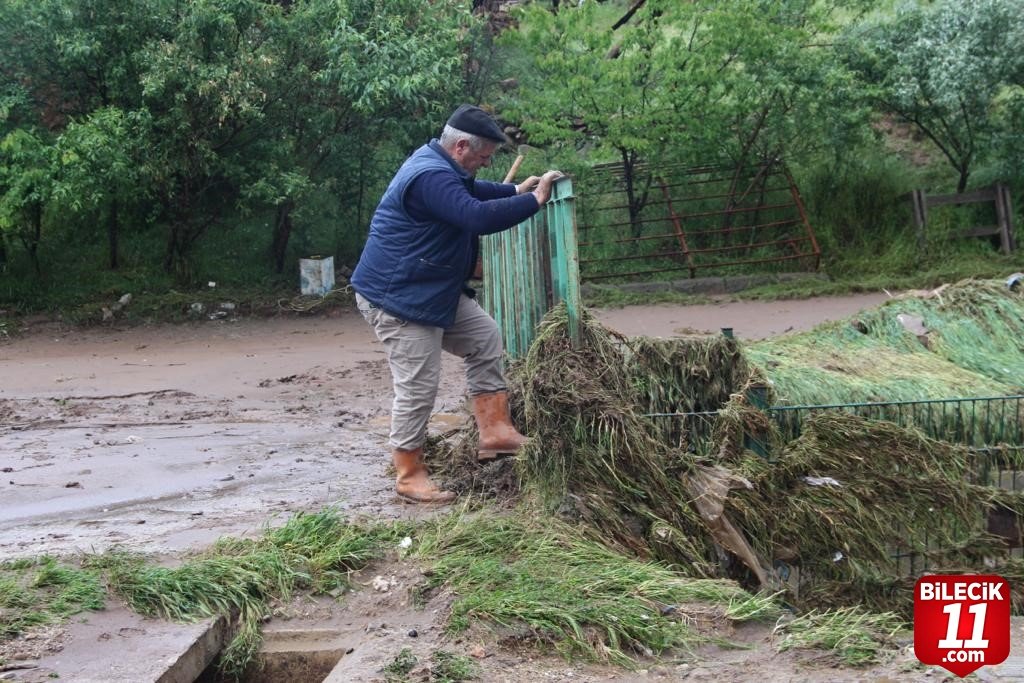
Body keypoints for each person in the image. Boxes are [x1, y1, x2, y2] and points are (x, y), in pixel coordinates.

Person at [350, 104, 562, 504]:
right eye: (482, 157)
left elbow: (472, 192)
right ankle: (409, 473)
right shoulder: (428, 175)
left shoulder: (442, 166)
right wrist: (534, 201)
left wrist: (514, 192)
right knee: (418, 386)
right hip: (399, 299)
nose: (484, 164)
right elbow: (474, 215)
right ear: (461, 146)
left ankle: (495, 431)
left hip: (430, 288)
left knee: (484, 336)